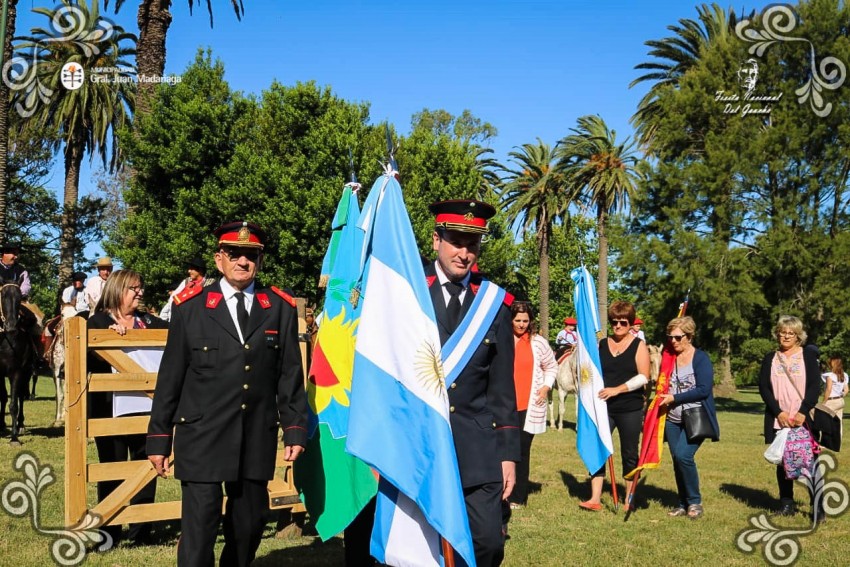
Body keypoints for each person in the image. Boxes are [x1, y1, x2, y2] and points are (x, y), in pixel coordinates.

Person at [146, 221, 308, 566]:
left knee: (250, 522)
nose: (242, 261)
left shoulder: (278, 307)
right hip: (202, 434)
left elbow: (289, 375)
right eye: (234, 254)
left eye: (251, 255)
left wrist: (295, 428)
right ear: (219, 259)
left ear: (260, 261)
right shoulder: (190, 307)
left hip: (255, 433)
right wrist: (159, 439)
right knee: (200, 525)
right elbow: (170, 377)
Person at [425, 199, 519, 567]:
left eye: (472, 244)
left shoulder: (494, 304)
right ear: (437, 240)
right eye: (456, 242)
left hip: (478, 446)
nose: (464, 254)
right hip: (421, 441)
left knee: (488, 545)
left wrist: (508, 454)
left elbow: (502, 388)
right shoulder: (410, 290)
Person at [88, 269, 168, 547]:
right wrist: (107, 339)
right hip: (109, 410)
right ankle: (108, 535)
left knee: (146, 467)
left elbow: (174, 335)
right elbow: (86, 356)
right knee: (112, 470)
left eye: (140, 287)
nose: (140, 292)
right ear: (118, 289)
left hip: (147, 406)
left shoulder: (150, 322)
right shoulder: (97, 321)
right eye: (134, 288)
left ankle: (141, 533)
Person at [580, 300, 650, 511]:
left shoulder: (639, 345)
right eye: (614, 322)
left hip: (630, 408)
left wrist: (617, 389)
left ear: (631, 323)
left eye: (623, 322)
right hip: (603, 408)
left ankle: (629, 498)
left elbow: (643, 377)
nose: (618, 326)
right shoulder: (602, 344)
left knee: (629, 453)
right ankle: (595, 498)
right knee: (598, 448)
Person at [656, 316, 720, 519]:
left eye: (678, 337)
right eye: (670, 337)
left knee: (684, 456)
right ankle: (682, 503)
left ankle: (694, 501)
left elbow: (703, 389)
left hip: (696, 417)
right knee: (677, 460)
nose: (673, 341)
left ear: (689, 336)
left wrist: (675, 397)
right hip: (672, 419)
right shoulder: (669, 358)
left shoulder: (700, 358)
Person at [758, 315, 820, 517]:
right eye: (782, 332)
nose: (785, 336)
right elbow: (764, 388)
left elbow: (814, 387)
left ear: (798, 336)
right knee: (783, 461)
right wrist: (779, 412)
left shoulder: (807, 356)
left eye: (790, 333)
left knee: (810, 462)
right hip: (780, 419)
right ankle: (786, 504)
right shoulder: (770, 358)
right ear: (777, 334)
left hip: (803, 419)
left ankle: (818, 506)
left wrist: (803, 412)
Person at [504, 302, 557, 515]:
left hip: (528, 405)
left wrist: (545, 386)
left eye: (525, 321)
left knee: (521, 451)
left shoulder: (538, 343)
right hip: (504, 404)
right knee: (502, 450)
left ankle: (518, 496)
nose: (521, 324)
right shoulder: (502, 339)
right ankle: (501, 491)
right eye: (517, 320)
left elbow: (551, 366)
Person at [159, 257, 215, 322]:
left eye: (191, 269)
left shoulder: (210, 283)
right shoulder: (186, 281)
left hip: (201, 319)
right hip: (184, 318)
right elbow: (173, 298)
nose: (189, 271)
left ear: (200, 270)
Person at [821, 355, 848, 439]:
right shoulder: (844, 375)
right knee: (838, 422)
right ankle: (838, 441)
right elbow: (846, 390)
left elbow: (828, 390)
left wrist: (824, 402)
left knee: (825, 422)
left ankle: (825, 441)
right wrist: (840, 395)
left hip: (831, 401)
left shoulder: (830, 376)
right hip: (840, 400)